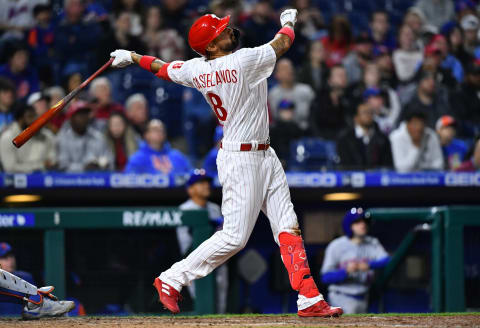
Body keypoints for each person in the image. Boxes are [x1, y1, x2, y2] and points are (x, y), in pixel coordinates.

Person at [110, 9, 343, 317]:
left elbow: (163, 69)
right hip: (240, 157)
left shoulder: (196, 69)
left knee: (287, 225)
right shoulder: (242, 60)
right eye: (221, 31)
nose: (229, 30)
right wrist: (288, 21)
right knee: (234, 236)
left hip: (264, 153)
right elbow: (282, 44)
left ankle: (309, 297)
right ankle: (171, 278)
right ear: (211, 46)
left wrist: (133, 55)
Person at [321, 208, 390, 314]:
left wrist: (369, 265)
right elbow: (325, 278)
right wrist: (346, 271)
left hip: (364, 297)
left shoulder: (372, 242)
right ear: (349, 225)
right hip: (341, 297)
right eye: (357, 222)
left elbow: (387, 260)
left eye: (365, 221)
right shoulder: (336, 245)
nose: (363, 225)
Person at [177, 169, 227, 314]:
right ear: (190, 189)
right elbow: (188, 240)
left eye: (207, 183)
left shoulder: (214, 208)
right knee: (201, 304)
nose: (206, 186)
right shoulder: (184, 209)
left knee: (220, 305)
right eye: (200, 183)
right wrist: (211, 223)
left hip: (217, 261)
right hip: (194, 261)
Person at [0, 242, 75, 319]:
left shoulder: (25, 276)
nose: (10, 260)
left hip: (24, 321)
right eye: (4, 257)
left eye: (11, 256)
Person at [57, 101, 113, 172]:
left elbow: (110, 163)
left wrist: (102, 165)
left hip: (96, 180)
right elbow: (62, 166)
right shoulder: (63, 138)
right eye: (80, 115)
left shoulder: (98, 137)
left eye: (85, 114)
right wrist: (84, 167)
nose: (84, 118)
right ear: (71, 119)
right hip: (70, 181)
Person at [0, 103, 56, 173]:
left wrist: (49, 164)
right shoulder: (7, 138)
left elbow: (52, 161)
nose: (34, 120)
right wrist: (40, 165)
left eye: (35, 116)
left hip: (46, 179)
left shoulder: (47, 135)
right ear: (19, 119)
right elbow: (10, 168)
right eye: (30, 117)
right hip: (16, 181)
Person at [337, 103, 393, 170]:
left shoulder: (382, 139)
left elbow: (387, 165)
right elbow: (345, 165)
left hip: (376, 177)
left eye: (370, 112)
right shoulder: (345, 139)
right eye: (364, 113)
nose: (368, 115)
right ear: (356, 118)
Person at [124, 119, 191, 176]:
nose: (159, 132)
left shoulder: (177, 156)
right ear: (146, 135)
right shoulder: (137, 159)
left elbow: (191, 175)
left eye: (162, 130)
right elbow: (129, 181)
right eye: (155, 130)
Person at [268, 58, 315, 131]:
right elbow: (274, 118)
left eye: (291, 67)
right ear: (277, 75)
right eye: (285, 69)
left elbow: (315, 114)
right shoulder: (273, 94)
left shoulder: (306, 90)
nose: (290, 70)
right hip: (281, 132)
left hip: (304, 132)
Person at [310, 65, 351, 139]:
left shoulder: (350, 99)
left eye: (345, 75)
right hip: (322, 142)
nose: (343, 77)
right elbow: (313, 125)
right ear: (329, 80)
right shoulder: (319, 99)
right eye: (339, 75)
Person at [269, 99, 303, 167]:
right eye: (285, 110)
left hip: (294, 161)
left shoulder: (297, 128)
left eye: (290, 110)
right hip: (277, 162)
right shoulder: (273, 129)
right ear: (279, 112)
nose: (288, 113)